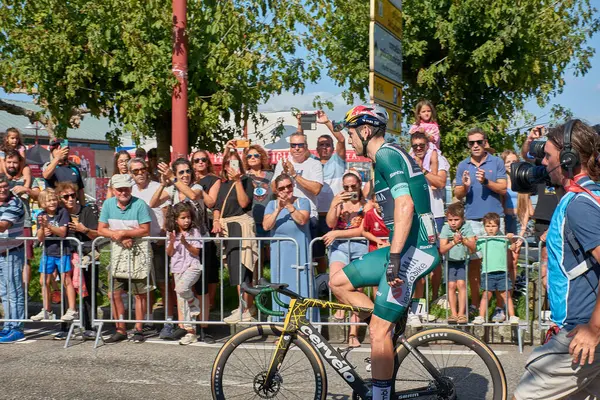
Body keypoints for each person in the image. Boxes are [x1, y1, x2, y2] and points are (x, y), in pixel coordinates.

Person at [329, 105, 440, 400]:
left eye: (351, 134)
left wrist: (393, 259)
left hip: (416, 250)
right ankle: (386, 328)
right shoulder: (382, 160)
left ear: (365, 131)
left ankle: (380, 394)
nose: (350, 140)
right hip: (401, 247)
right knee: (337, 283)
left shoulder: (387, 155)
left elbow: (406, 205)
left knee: (377, 330)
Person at [514, 120, 600, 400]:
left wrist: (593, 329)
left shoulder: (580, 206)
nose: (544, 163)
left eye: (548, 156)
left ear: (567, 159)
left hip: (581, 334)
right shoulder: (586, 195)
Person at [454, 127, 507, 317]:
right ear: (468, 145)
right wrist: (466, 187)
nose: (475, 146)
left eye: (479, 142)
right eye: (471, 143)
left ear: (485, 143)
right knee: (475, 265)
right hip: (473, 220)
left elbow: (503, 188)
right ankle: (475, 306)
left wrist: (485, 182)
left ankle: (500, 309)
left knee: (498, 264)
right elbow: (457, 193)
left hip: (494, 220)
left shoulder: (497, 161)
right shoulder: (463, 165)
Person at [97, 174, 152, 344]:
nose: (123, 192)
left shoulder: (140, 204)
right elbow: (101, 229)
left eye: (126, 189)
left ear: (131, 189)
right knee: (114, 292)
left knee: (139, 293)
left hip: (138, 252)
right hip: (117, 252)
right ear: (113, 190)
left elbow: (145, 229)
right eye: (119, 189)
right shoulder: (108, 204)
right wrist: (119, 235)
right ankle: (120, 328)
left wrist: (125, 233)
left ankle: (138, 329)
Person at [409, 132, 450, 327]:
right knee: (418, 260)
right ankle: (418, 306)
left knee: (434, 258)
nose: (418, 148)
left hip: (435, 213)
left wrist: (423, 171)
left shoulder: (438, 158)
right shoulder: (407, 159)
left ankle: (434, 298)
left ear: (427, 144)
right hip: (415, 214)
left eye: (421, 145)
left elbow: (441, 182)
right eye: (415, 145)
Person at [324, 171, 369, 347]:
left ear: (359, 185)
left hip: (359, 246)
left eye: (353, 186)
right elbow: (329, 224)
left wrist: (337, 233)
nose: (350, 190)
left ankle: (353, 333)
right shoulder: (340, 203)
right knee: (334, 281)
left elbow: (361, 230)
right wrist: (334, 205)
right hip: (340, 248)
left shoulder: (366, 205)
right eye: (346, 187)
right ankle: (342, 306)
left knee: (356, 290)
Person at [213, 150, 258, 324]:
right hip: (227, 227)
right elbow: (217, 205)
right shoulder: (223, 184)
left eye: (236, 163)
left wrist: (238, 180)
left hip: (241, 227)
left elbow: (244, 203)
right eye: (229, 163)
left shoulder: (246, 181)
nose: (233, 167)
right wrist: (216, 220)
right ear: (224, 166)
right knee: (234, 269)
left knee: (243, 267)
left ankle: (247, 308)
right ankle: (244, 306)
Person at [300, 111, 346, 274]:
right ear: (317, 148)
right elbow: (300, 145)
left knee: (337, 254)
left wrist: (327, 122)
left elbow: (341, 139)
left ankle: (338, 285)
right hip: (316, 215)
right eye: (321, 144)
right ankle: (322, 286)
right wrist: (301, 125)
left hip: (336, 215)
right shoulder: (311, 163)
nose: (325, 147)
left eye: (327, 144)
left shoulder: (338, 160)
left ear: (332, 148)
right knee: (317, 255)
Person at [262, 174, 312, 320]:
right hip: (280, 253)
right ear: (276, 191)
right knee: (281, 288)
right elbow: (266, 225)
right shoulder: (271, 205)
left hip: (299, 252)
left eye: (289, 186)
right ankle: (281, 325)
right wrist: (278, 209)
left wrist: (289, 205)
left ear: (293, 186)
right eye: (282, 188)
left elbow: (302, 220)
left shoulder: (302, 202)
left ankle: (304, 324)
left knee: (301, 287)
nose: (286, 190)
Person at [56, 182, 100, 340]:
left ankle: (89, 326)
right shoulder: (59, 213)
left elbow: (98, 234)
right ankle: (65, 327)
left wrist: (84, 230)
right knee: (66, 292)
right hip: (66, 256)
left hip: (86, 255)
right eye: (66, 196)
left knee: (87, 290)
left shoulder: (87, 211)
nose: (70, 199)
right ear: (60, 198)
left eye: (72, 195)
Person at [31, 188, 79, 322]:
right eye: (48, 200)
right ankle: (46, 309)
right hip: (48, 252)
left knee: (66, 280)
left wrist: (50, 227)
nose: (52, 202)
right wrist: (42, 229)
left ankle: (72, 309)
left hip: (62, 251)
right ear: (42, 203)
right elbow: (40, 238)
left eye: (53, 199)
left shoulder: (62, 212)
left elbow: (63, 232)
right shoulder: (41, 215)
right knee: (43, 281)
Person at [165, 202, 204, 346]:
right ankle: (190, 332)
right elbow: (169, 253)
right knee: (182, 302)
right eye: (183, 218)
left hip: (192, 267)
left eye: (188, 217)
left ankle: (194, 301)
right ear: (176, 219)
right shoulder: (171, 233)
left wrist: (185, 243)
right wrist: (172, 242)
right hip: (177, 268)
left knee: (181, 289)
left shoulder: (194, 232)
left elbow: (196, 251)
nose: (186, 220)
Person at [472, 212, 519, 325]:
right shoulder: (482, 240)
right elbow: (473, 249)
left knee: (506, 295)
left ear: (498, 226)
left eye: (493, 226)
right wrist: (473, 240)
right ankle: (481, 316)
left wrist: (511, 239)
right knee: (486, 295)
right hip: (488, 272)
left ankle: (512, 316)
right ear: (484, 227)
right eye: (488, 226)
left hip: (502, 272)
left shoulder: (503, 238)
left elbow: (513, 248)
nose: (491, 229)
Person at [271, 132, 323, 227]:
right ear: (290, 147)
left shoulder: (315, 164)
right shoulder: (282, 163)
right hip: (286, 213)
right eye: (293, 145)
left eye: (300, 145)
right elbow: (274, 189)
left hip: (309, 215)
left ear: (306, 146)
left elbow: (316, 190)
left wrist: (294, 174)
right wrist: (283, 173)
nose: (297, 148)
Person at [191, 150, 221, 311]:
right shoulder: (188, 179)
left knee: (210, 266)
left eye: (203, 159)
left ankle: (210, 302)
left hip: (207, 223)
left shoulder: (214, 179)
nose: (200, 162)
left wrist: (198, 189)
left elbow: (211, 202)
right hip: (190, 224)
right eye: (197, 160)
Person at [438, 202, 476, 324]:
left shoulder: (467, 227)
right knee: (451, 286)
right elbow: (442, 249)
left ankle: (461, 314)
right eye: (450, 220)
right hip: (450, 262)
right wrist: (453, 242)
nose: (453, 223)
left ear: (462, 219)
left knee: (461, 284)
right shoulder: (445, 228)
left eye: (456, 219)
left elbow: (473, 246)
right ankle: (453, 313)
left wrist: (463, 240)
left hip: (462, 261)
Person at [0, 174, 27, 343]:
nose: (2, 189)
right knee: (3, 292)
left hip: (12, 251)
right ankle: (8, 325)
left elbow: (3, 225)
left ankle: (17, 328)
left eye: (4, 186)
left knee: (14, 291)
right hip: (1, 253)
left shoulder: (15, 203)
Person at [501, 150, 534, 281]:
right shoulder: (501, 182)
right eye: (508, 162)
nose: (511, 164)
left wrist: (523, 231)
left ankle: (512, 290)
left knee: (514, 260)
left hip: (519, 220)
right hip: (506, 221)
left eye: (514, 161)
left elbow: (526, 208)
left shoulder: (522, 180)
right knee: (504, 259)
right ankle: (503, 291)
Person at [4, 150, 33, 287]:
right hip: (2, 223)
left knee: (25, 259)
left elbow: (40, 194)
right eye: (9, 162)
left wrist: (26, 189)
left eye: (15, 162)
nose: (11, 165)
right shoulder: (1, 180)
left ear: (20, 163)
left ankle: (23, 291)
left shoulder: (26, 179)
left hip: (23, 223)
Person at [42, 139, 86, 205]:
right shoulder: (48, 166)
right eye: (57, 149)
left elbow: (80, 191)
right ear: (52, 152)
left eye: (63, 148)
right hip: (56, 208)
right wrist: (57, 158)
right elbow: (46, 175)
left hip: (72, 207)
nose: (61, 151)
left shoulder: (74, 168)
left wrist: (83, 208)